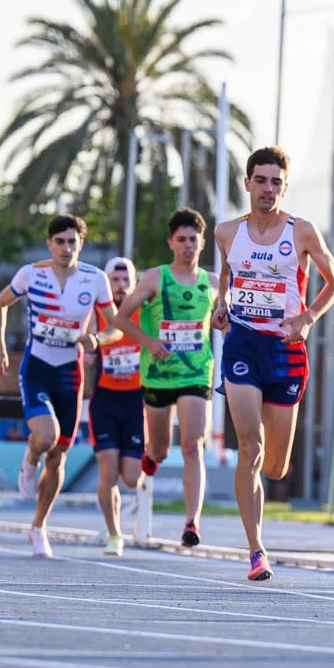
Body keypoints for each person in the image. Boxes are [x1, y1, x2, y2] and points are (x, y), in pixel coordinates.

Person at [210, 146, 334, 581]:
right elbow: (226, 279)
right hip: (243, 342)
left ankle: (265, 495)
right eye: (260, 181)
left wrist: (306, 318)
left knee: (276, 465)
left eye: (276, 182)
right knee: (250, 446)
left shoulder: (301, 232)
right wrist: (221, 305)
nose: (268, 189)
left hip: (285, 349)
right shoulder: (227, 231)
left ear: (284, 187)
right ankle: (256, 550)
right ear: (247, 183)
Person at [0, 214, 116, 558]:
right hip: (38, 367)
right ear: (49, 244)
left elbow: (116, 326)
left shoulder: (95, 279)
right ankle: (30, 458)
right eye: (59, 241)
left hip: (70, 375)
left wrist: (96, 339)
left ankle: (39, 526)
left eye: (72, 241)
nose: (65, 248)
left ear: (81, 244)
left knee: (58, 456)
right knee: (45, 437)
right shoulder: (32, 273)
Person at [112, 209, 216, 549]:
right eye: (181, 240)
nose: (188, 246)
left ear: (202, 243)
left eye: (193, 240)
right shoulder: (155, 278)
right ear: (171, 242)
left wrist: (223, 318)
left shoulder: (212, 282)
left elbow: (223, 316)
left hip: (195, 372)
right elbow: (121, 317)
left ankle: (192, 522)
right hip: (157, 375)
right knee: (159, 447)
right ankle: (152, 458)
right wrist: (150, 342)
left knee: (192, 444)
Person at [88, 256, 146, 556]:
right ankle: (114, 534)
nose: (121, 286)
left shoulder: (144, 313)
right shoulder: (98, 313)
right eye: (115, 280)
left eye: (126, 281)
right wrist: (86, 351)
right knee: (107, 473)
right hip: (105, 400)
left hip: (136, 402)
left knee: (132, 478)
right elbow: (85, 341)